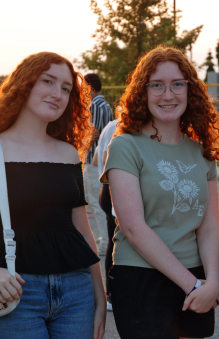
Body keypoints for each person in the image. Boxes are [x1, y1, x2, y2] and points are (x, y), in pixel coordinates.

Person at [0, 52, 106, 338]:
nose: (57, 93)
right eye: (48, 81)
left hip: (76, 293)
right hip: (14, 292)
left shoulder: (68, 154)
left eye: (66, 89)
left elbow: (81, 228)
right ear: (25, 84)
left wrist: (99, 297)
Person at [101, 46, 219, 339]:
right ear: (142, 92)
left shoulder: (202, 151)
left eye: (177, 84)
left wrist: (211, 283)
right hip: (142, 276)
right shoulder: (125, 146)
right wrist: (194, 286)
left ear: (190, 90)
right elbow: (133, 227)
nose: (167, 95)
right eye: (156, 85)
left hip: (195, 274)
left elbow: (209, 228)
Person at [83, 73, 113, 256]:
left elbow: (93, 132)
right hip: (102, 158)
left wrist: (79, 143)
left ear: (90, 88)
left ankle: (104, 243)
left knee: (95, 203)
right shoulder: (107, 106)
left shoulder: (93, 106)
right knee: (100, 201)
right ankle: (106, 240)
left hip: (92, 159)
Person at [92, 118, 118, 310]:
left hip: (105, 189)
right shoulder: (123, 126)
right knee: (119, 242)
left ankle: (111, 293)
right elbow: (103, 159)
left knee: (112, 241)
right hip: (114, 188)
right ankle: (111, 294)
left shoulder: (110, 125)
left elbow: (95, 160)